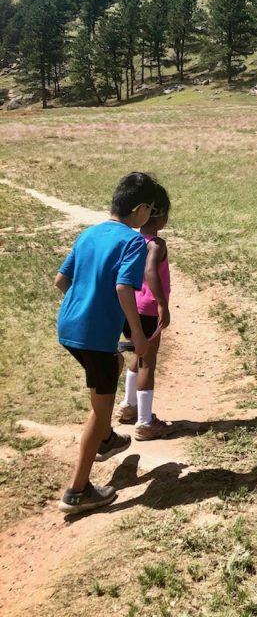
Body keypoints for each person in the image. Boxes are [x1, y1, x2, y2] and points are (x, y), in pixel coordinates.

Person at [55, 172, 164, 514]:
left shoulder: (89, 233)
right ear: (142, 209)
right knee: (99, 411)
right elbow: (122, 288)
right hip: (95, 336)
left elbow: (62, 280)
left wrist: (85, 305)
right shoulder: (132, 241)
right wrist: (138, 335)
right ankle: (77, 491)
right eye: (152, 210)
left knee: (111, 367)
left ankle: (106, 438)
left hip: (68, 329)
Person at [117, 183, 173, 439]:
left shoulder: (132, 239)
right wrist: (162, 303)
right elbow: (151, 271)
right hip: (149, 310)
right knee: (147, 362)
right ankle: (145, 421)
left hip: (128, 308)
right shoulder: (156, 244)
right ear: (160, 216)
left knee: (137, 355)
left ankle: (128, 406)